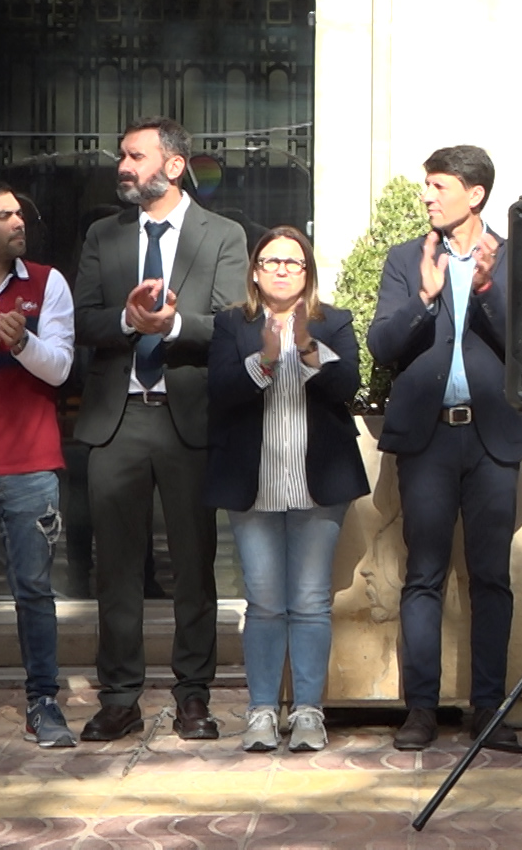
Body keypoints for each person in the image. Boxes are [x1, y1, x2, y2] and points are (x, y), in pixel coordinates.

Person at [73, 115, 248, 742]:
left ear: (173, 166)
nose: (123, 166)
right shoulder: (103, 235)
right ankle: (119, 699)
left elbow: (231, 324)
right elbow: (84, 324)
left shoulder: (223, 235)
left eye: (136, 156)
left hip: (188, 423)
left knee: (195, 570)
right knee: (115, 570)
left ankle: (193, 697)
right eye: (122, 155)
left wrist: (171, 327)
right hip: (116, 424)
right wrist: (126, 319)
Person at [367, 145, 522, 750]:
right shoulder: (404, 259)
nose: (427, 196)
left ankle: (488, 708)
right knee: (424, 575)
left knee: (491, 577)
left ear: (476, 194)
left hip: (492, 438)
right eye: (426, 185)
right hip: (428, 440)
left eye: (438, 185)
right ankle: (420, 709)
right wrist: (422, 298)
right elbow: (382, 345)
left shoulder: (515, 259)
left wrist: (488, 288)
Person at [205, 226, 370, 752]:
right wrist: (268, 359)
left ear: (307, 274)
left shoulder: (334, 322)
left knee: (310, 601)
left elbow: (348, 390)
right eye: (271, 261)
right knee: (265, 600)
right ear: (254, 271)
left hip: (318, 484)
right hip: (253, 484)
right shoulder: (233, 323)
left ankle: (307, 713)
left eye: (293, 263)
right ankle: (259, 712)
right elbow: (222, 392)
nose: (281, 270)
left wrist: (305, 348)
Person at [0, 180, 77, 748]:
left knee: (35, 591)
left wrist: (19, 345)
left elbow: (62, 368)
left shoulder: (49, 283)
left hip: (30, 464)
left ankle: (44, 702)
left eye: (20, 213)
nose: (19, 222)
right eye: (3, 215)